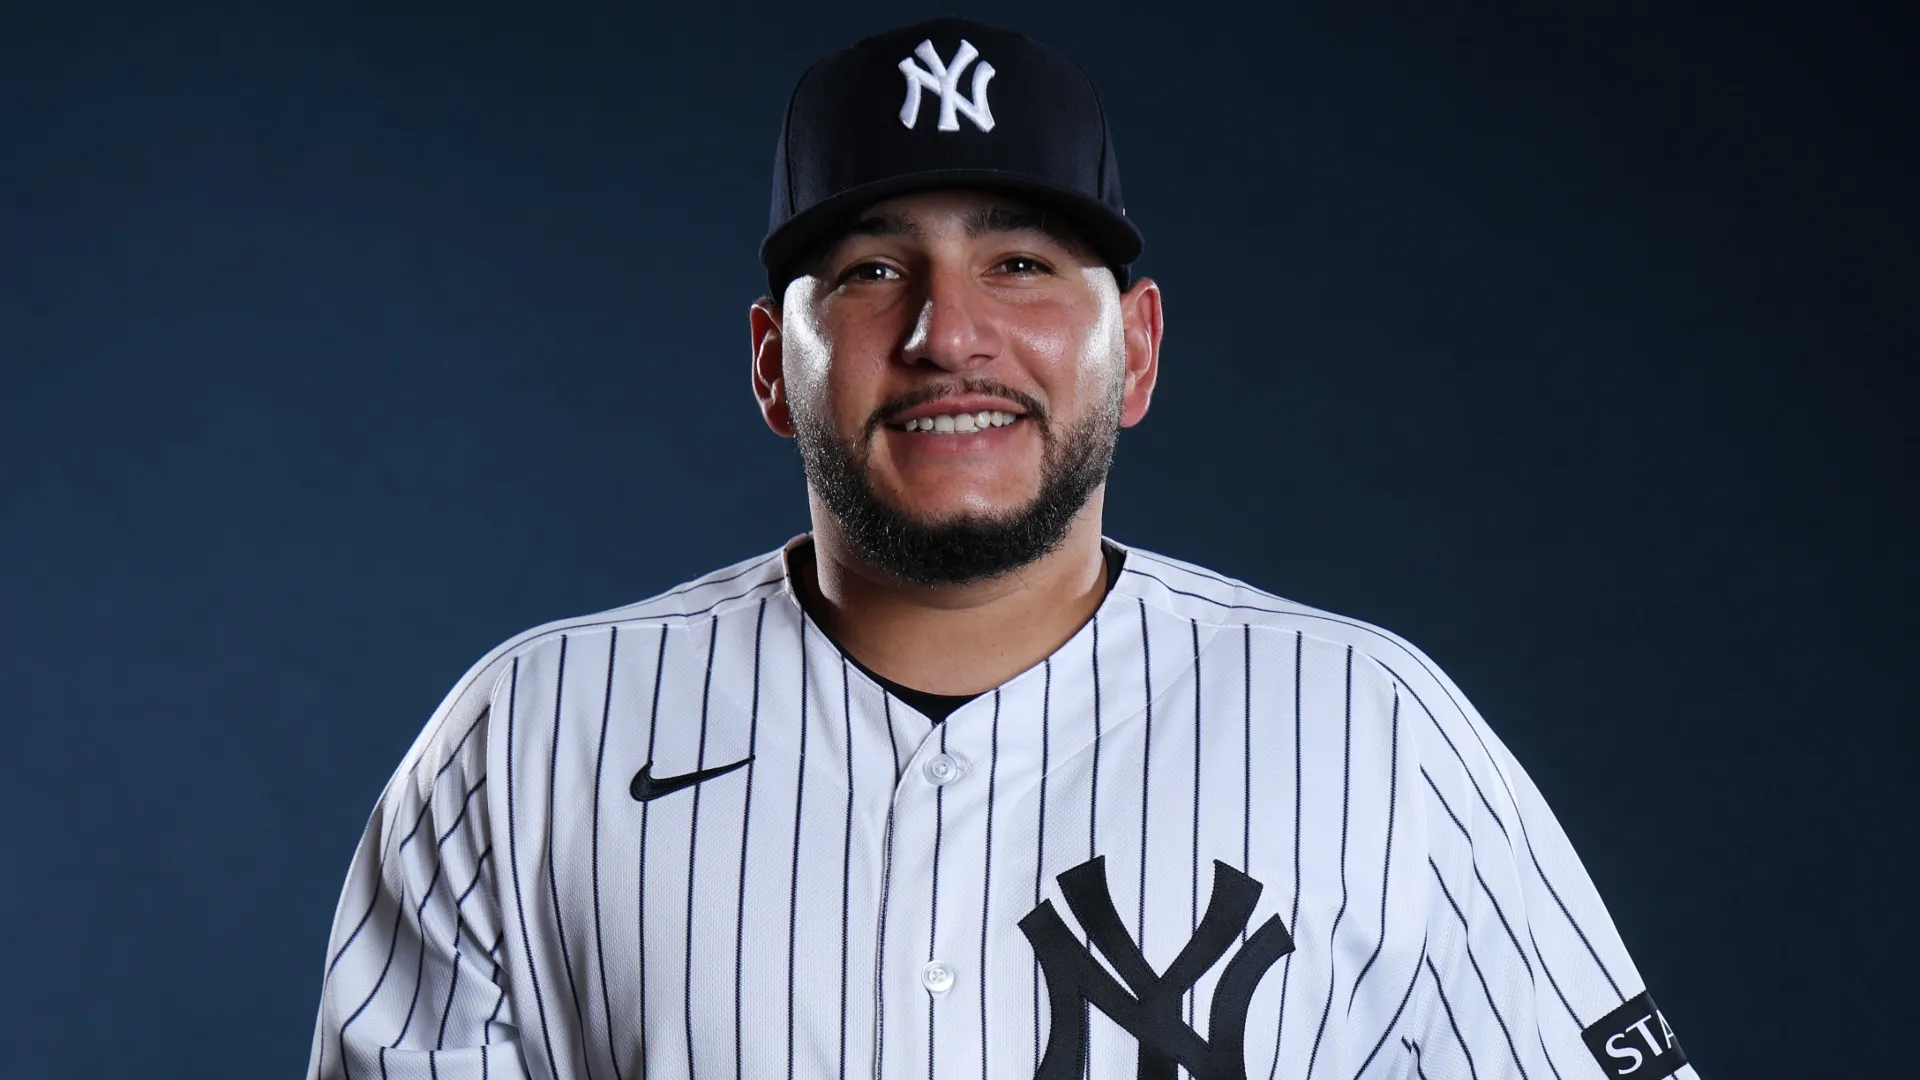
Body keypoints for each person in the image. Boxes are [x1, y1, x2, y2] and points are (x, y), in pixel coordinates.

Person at [308, 16, 1695, 1080]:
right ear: (769, 367)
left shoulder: (1374, 737)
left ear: (1137, 349)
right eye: (868, 271)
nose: (945, 333)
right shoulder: (529, 739)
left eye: (1020, 263)